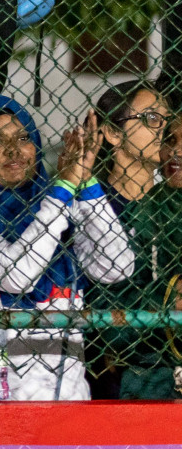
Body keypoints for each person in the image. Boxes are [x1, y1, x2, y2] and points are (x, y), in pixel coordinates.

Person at [0, 97, 135, 400]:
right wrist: (63, 192)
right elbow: (17, 276)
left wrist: (85, 179)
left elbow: (117, 266)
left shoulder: (56, 197)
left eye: (24, 138)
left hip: (65, 400)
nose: (13, 150)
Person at [85, 82, 175, 399]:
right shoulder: (89, 207)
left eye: (167, 120)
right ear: (112, 132)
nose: (163, 129)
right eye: (151, 118)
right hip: (111, 373)